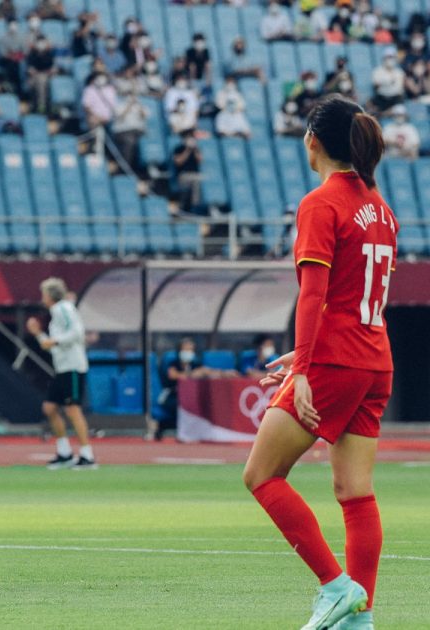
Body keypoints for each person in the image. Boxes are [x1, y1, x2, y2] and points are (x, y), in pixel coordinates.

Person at [242, 94, 393, 630]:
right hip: (375, 357)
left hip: (334, 360)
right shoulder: (381, 206)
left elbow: (313, 294)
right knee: (355, 492)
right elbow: (354, 295)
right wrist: (305, 353)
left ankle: (335, 587)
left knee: (261, 474)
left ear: (312, 140)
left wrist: (304, 366)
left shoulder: (320, 202)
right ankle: (360, 617)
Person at [26, 278, 96, 469]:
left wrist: (55, 340)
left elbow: (77, 332)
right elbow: (48, 345)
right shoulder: (56, 312)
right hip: (62, 367)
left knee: (73, 409)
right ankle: (64, 452)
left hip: (73, 366)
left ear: (50, 295)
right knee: (50, 407)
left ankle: (87, 455)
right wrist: (38, 334)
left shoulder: (63, 308)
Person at [149, 337, 215, 440]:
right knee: (179, 404)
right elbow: (173, 375)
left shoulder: (195, 364)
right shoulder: (173, 363)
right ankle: (165, 427)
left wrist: (222, 373)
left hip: (191, 397)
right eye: (186, 350)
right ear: (180, 351)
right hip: (172, 395)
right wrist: (191, 374)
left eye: (190, 350)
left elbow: (206, 371)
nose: (188, 352)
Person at [371, 49, 405, 114]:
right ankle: (382, 113)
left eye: (392, 57)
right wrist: (386, 82)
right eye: (388, 57)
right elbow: (375, 86)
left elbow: (400, 89)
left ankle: (383, 114)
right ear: (384, 58)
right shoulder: (377, 71)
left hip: (395, 99)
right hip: (382, 98)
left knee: (399, 106)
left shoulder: (399, 72)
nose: (390, 60)